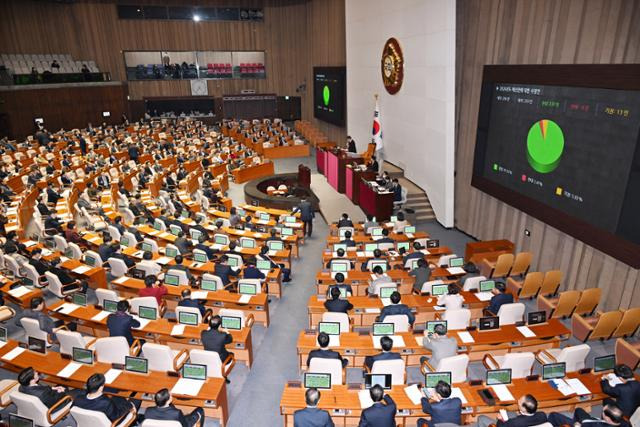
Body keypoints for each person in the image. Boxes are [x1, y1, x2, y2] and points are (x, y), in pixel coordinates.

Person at [73, 373, 139, 422]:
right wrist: (129, 405)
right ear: (101, 388)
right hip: (113, 421)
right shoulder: (106, 403)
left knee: (115, 395)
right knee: (137, 399)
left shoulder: (77, 399)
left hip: (89, 422)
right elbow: (116, 416)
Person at [478, 394, 547, 427]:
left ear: (523, 409)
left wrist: (500, 419)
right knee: (512, 413)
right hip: (522, 422)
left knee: (481, 418)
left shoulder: (515, 422)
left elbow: (500, 425)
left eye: (520, 401)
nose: (518, 400)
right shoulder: (542, 415)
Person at [548, 402, 626, 427]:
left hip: (585, 424)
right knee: (579, 410)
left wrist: (577, 425)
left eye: (603, 412)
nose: (601, 412)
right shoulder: (625, 424)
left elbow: (586, 423)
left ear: (608, 419)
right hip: (593, 420)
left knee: (554, 415)